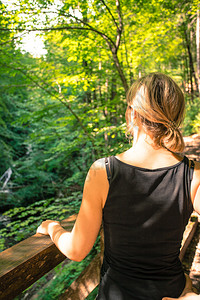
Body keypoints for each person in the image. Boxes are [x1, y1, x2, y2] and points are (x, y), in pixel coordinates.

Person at [37, 73, 200, 300]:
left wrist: (53, 227)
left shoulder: (103, 171)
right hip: (171, 291)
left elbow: (76, 250)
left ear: (132, 114)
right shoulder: (193, 173)